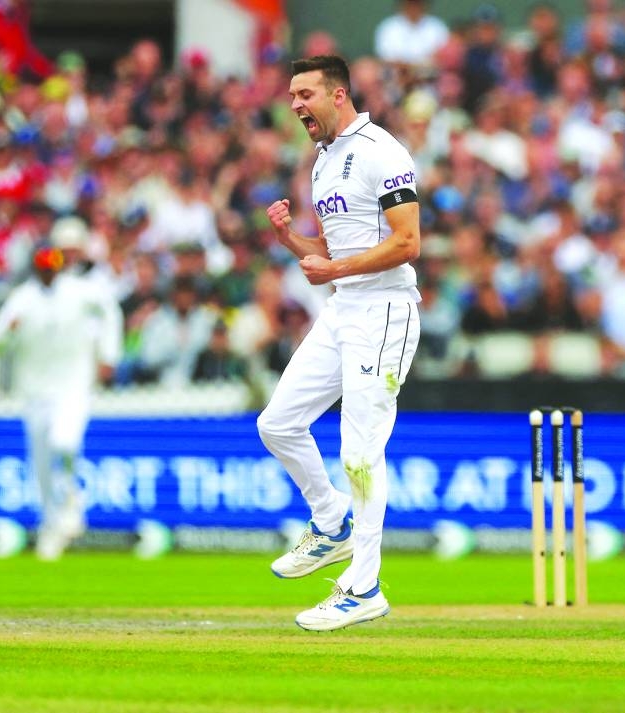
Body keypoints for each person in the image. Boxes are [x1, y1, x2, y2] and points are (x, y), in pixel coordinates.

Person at [258, 55, 421, 631]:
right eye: (292, 95)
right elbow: (332, 251)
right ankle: (332, 522)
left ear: (338, 94)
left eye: (305, 94)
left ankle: (364, 587)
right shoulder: (324, 161)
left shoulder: (382, 151)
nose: (295, 105)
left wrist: (334, 269)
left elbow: (407, 243)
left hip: (384, 311)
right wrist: (289, 239)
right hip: (343, 308)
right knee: (277, 424)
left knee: (360, 453)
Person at [0, 235, 122, 560]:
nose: (49, 271)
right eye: (43, 265)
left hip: (73, 385)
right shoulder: (22, 298)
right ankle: (52, 525)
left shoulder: (79, 290)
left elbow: (110, 312)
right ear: (35, 267)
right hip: (35, 391)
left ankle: (71, 501)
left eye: (53, 265)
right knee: (42, 464)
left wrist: (108, 354)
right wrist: (10, 332)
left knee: (64, 442)